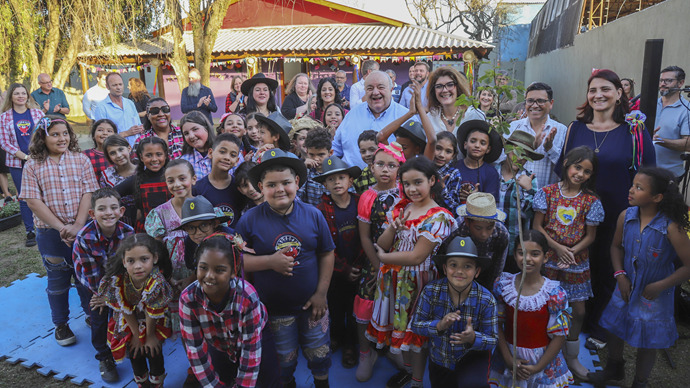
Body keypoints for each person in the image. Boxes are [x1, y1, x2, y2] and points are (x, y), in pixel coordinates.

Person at [556, 69, 655, 348]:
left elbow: (647, 173)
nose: (598, 95)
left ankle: (601, 326)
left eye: (606, 89)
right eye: (593, 90)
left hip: (617, 214)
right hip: (574, 215)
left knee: (608, 267)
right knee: (575, 267)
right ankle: (573, 320)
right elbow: (561, 170)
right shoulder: (575, 129)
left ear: (619, 94)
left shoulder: (633, 131)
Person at [235, 149, 335, 388]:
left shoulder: (313, 215)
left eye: (286, 182)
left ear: (297, 183)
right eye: (271, 184)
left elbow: (327, 253)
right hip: (273, 310)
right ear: (260, 186)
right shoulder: (249, 220)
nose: (279, 189)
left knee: (319, 354)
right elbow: (236, 260)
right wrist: (269, 262)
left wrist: (321, 293)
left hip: (313, 305)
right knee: (283, 360)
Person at [589, 167, 690, 388]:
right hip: (625, 284)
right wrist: (620, 275)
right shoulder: (626, 216)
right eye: (633, 184)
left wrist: (661, 286)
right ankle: (614, 368)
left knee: (649, 340)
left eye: (639, 187)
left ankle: (640, 382)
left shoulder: (671, 227)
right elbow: (616, 247)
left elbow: (687, 266)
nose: (631, 190)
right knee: (614, 326)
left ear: (657, 197)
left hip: (655, 294)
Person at [366, 156, 457, 388]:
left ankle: (417, 381)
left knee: (415, 335)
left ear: (432, 180)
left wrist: (384, 259)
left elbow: (418, 256)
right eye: (406, 184)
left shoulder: (439, 216)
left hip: (418, 283)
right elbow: (384, 242)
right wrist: (392, 229)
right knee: (400, 331)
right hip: (395, 279)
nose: (412, 189)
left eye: (418, 182)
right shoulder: (403, 208)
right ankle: (408, 372)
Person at [20, 116, 99, 346]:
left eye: (65, 133)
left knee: (85, 277)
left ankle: (90, 314)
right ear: (42, 137)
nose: (61, 138)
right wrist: (62, 227)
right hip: (50, 234)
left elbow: (88, 193)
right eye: (55, 134)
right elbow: (33, 201)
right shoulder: (33, 164)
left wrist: (77, 225)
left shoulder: (80, 159)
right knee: (57, 280)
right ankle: (61, 324)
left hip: (81, 230)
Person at [533, 146, 604, 380]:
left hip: (576, 261)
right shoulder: (548, 193)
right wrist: (558, 248)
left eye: (587, 171)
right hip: (550, 259)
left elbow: (591, 236)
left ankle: (572, 356)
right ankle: (542, 352)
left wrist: (571, 252)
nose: (580, 174)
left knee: (579, 311)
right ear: (566, 164)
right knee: (546, 307)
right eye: (577, 167)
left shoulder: (590, 201)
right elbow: (537, 227)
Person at [179, 234, 276, 388]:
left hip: (255, 338)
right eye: (203, 267)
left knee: (265, 379)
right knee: (223, 377)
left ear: (233, 271)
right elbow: (195, 350)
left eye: (220, 270)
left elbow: (251, 351)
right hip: (218, 344)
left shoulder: (247, 298)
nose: (209, 276)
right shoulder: (188, 299)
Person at [488, 230, 574, 388]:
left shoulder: (554, 294)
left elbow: (560, 336)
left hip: (542, 361)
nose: (527, 259)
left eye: (535, 254)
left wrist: (538, 367)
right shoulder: (503, 285)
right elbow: (497, 324)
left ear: (545, 257)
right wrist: (508, 359)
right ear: (514, 255)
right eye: (522, 253)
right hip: (509, 355)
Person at [412, 236, 498, 388]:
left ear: (477, 271)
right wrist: (438, 325)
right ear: (444, 269)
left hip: (471, 359)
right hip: (440, 359)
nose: (459, 271)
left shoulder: (487, 300)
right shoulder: (431, 291)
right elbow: (416, 325)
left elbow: (492, 340)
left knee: (472, 384)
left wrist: (473, 338)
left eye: (467, 266)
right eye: (453, 265)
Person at [95, 233, 173, 388]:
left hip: (153, 321)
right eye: (131, 261)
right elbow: (125, 310)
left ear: (155, 258)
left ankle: (157, 382)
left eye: (144, 259)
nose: (137, 266)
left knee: (153, 350)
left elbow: (152, 312)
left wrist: (149, 336)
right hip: (129, 322)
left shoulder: (157, 282)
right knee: (135, 351)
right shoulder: (117, 281)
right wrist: (137, 335)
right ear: (124, 262)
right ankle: (142, 382)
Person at [72, 187, 134, 383]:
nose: (108, 213)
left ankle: (127, 342)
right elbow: (92, 275)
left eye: (113, 208)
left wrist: (123, 294)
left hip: (119, 278)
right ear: (92, 213)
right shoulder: (84, 237)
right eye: (102, 209)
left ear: (121, 211)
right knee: (98, 313)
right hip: (92, 282)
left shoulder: (129, 232)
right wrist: (104, 296)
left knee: (127, 309)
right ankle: (104, 356)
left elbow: (131, 265)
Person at [355, 142, 404, 382]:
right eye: (380, 164)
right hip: (374, 261)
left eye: (391, 165)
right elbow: (364, 236)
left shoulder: (407, 192)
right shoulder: (367, 196)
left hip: (403, 261)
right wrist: (377, 266)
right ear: (372, 167)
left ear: (399, 168)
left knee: (399, 305)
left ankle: (394, 349)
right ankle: (366, 353)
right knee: (365, 302)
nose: (385, 170)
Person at [314, 156, 364, 369]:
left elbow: (368, 237)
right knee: (335, 307)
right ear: (324, 184)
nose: (336, 182)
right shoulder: (320, 209)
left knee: (355, 311)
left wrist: (359, 266)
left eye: (341, 177)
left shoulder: (362, 202)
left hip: (359, 268)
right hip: (334, 272)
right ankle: (336, 336)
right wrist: (343, 268)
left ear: (350, 180)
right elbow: (322, 247)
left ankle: (351, 345)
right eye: (331, 179)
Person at [145, 159, 198, 321]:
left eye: (182, 178)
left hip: (200, 277)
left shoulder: (206, 209)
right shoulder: (160, 214)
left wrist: (194, 276)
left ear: (193, 179)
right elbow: (156, 253)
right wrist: (168, 278)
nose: (177, 184)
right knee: (181, 320)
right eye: (171, 180)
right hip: (172, 281)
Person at [333, 70, 408, 168]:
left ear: (391, 89)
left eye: (381, 87)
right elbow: (335, 149)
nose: (375, 92)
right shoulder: (352, 114)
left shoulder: (406, 117)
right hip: (351, 181)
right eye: (370, 88)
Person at [0, 83, 43, 246]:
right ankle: (30, 231)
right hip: (17, 162)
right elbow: (4, 142)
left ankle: (47, 226)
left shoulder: (37, 113)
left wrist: (36, 154)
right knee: (24, 196)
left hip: (39, 159)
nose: (20, 96)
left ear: (28, 95)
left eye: (23, 93)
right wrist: (25, 157)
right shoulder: (4, 117)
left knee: (43, 193)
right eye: (16, 93)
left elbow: (43, 136)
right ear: (11, 96)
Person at [504, 82, 567, 190]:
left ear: (551, 103)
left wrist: (550, 148)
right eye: (530, 101)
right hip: (516, 199)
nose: (534, 105)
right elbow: (502, 161)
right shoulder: (513, 127)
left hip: (547, 200)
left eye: (541, 101)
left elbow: (566, 170)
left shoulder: (562, 131)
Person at [496, 131, 540, 265]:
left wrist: (528, 189)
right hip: (491, 241)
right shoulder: (492, 172)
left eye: (525, 155)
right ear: (507, 149)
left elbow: (530, 213)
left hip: (515, 244)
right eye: (516, 152)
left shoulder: (529, 178)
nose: (519, 158)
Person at [450, 192, 510, 289]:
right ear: (467, 221)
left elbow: (497, 269)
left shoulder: (502, 234)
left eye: (489, 228)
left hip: (486, 276)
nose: (484, 234)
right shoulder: (455, 230)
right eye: (478, 228)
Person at [115, 137, 170, 232]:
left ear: (165, 155)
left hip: (171, 227)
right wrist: (130, 211)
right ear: (141, 157)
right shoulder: (136, 179)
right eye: (148, 155)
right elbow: (110, 194)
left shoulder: (172, 177)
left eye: (159, 154)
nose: (154, 159)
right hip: (145, 231)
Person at [193, 133, 243, 229]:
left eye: (232, 155)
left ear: (237, 161)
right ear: (211, 153)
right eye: (222, 152)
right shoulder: (198, 188)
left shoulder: (239, 187)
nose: (227, 157)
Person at [653, 66, 689, 181]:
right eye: (661, 80)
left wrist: (658, 140)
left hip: (668, 174)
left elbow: (688, 144)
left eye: (668, 81)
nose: (662, 84)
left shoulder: (686, 109)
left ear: (680, 83)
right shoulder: (651, 103)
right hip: (643, 170)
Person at [454, 119, 503, 204]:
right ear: (465, 144)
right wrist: (457, 194)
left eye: (483, 143)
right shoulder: (454, 167)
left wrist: (476, 198)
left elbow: (491, 203)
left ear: (488, 149)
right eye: (473, 141)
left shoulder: (491, 173)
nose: (477, 145)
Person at [93, 73, 144, 146]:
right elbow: (101, 136)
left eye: (120, 84)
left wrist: (141, 128)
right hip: (116, 149)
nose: (118, 87)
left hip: (135, 148)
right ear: (107, 87)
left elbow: (138, 124)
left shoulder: (129, 103)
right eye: (114, 85)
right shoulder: (101, 107)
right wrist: (126, 133)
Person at [100, 135, 137, 226]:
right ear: (108, 157)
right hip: (119, 224)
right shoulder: (106, 177)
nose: (119, 155)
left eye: (121, 150)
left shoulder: (142, 170)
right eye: (113, 153)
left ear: (129, 148)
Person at [426, 66, 473, 134]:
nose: (444, 90)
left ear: (458, 87)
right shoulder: (430, 118)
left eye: (450, 85)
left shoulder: (472, 115)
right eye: (439, 86)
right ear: (433, 91)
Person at [298, 128, 332, 206]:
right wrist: (303, 170)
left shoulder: (336, 171)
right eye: (312, 155)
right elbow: (297, 197)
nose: (316, 159)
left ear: (330, 153)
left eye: (321, 155)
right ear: (307, 152)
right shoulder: (306, 172)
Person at [433, 131, 463, 219]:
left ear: (453, 156)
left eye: (448, 151)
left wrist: (442, 189)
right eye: (438, 148)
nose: (441, 155)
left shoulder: (454, 174)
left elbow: (455, 208)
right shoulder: (425, 168)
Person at [179, 111, 215, 179]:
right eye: (186, 133)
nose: (191, 136)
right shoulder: (184, 161)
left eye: (195, 129)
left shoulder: (224, 152)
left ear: (206, 128)